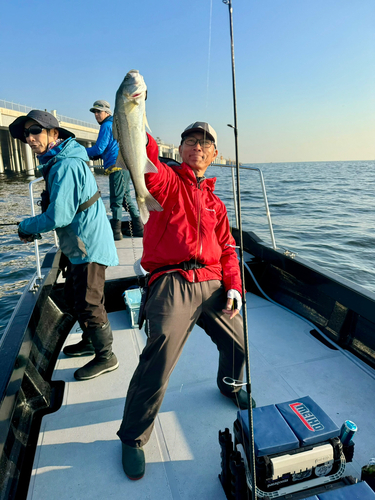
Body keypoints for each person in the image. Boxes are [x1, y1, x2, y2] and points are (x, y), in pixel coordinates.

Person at [117, 117, 256, 480]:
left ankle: (229, 384)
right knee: (159, 356)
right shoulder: (165, 182)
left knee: (240, 341)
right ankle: (132, 437)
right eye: (190, 141)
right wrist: (135, 118)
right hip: (171, 280)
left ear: (213, 154)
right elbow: (146, 164)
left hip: (211, 282)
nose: (197, 146)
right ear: (179, 150)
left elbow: (227, 249)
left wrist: (234, 287)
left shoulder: (216, 204)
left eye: (204, 143)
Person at [9, 110, 119, 381]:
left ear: (54, 134)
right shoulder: (59, 160)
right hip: (78, 243)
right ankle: (91, 341)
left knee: (89, 301)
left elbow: (59, 216)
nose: (30, 138)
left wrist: (25, 226)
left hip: (88, 244)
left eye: (36, 131)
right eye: (26, 134)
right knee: (76, 295)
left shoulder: (64, 166)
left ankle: (106, 356)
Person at [86, 100, 143, 239]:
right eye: (94, 112)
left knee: (115, 201)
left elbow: (99, 147)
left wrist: (80, 151)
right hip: (124, 166)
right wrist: (98, 155)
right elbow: (109, 146)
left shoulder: (106, 125)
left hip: (116, 166)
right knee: (125, 199)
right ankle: (139, 228)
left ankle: (116, 232)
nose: (96, 115)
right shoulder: (115, 124)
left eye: (98, 112)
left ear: (107, 112)